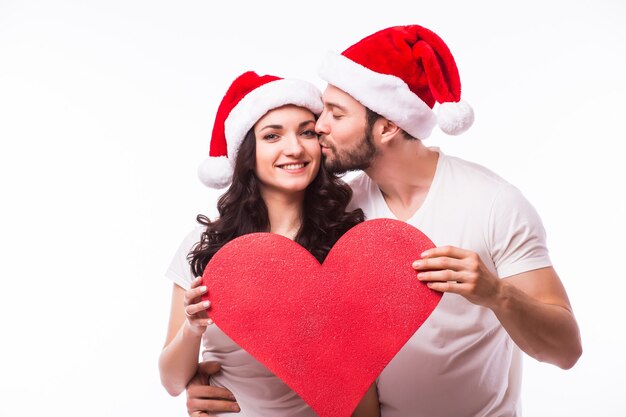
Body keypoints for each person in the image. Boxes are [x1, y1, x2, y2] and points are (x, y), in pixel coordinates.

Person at [185, 25, 583, 417]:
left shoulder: (493, 203)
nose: (319, 126)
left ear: (389, 125)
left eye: (336, 115)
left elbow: (566, 351)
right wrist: (209, 385)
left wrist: (496, 294)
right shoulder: (335, 210)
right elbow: (279, 309)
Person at [159, 71, 379, 417]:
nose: (294, 148)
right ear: (248, 152)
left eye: (307, 132)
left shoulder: (346, 243)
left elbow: (362, 381)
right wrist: (193, 328)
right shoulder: (207, 246)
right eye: (272, 136)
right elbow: (172, 382)